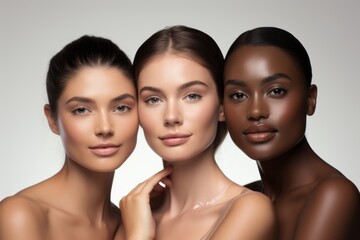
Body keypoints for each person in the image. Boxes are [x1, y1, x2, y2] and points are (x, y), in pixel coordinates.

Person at [119, 25, 277, 240]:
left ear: (221, 106)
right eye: (153, 99)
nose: (171, 116)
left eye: (192, 96)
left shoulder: (250, 209)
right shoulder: (136, 212)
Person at [223, 26, 360, 240]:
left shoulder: (334, 194)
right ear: (221, 108)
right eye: (239, 95)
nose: (256, 111)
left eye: (276, 91)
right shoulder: (243, 200)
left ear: (310, 99)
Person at [0, 35, 140, 240]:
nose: (104, 128)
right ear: (53, 120)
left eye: (121, 107)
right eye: (82, 110)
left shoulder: (129, 222)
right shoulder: (20, 216)